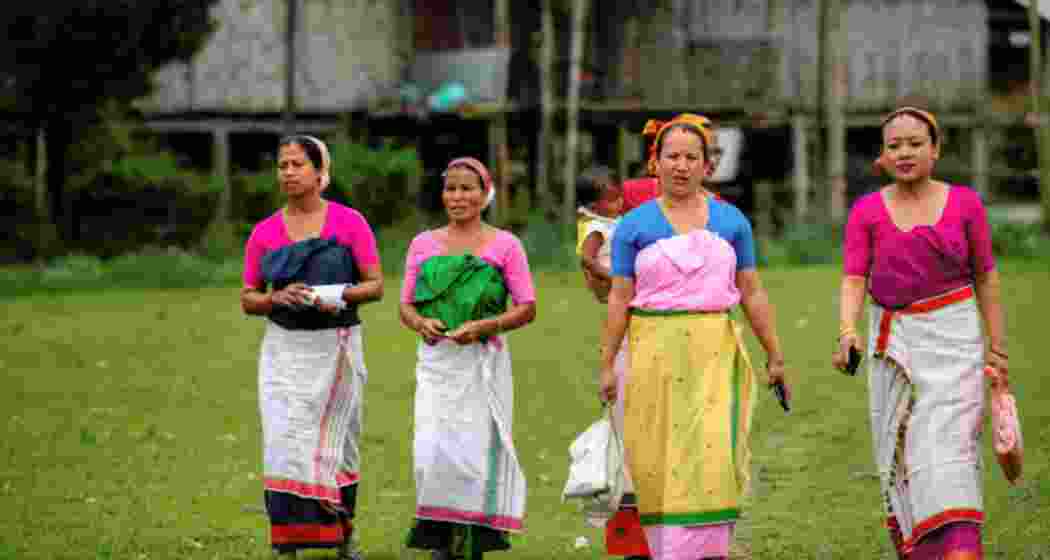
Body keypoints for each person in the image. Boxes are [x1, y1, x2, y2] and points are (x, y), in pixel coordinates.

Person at [601, 113, 788, 560]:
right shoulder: (634, 226)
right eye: (672, 156)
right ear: (656, 163)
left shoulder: (731, 222)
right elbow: (618, 299)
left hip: (713, 353)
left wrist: (775, 355)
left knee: (709, 457)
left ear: (708, 165)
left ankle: (705, 552)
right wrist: (607, 363)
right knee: (657, 458)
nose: (681, 166)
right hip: (651, 355)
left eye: (691, 157)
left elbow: (752, 291)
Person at [833, 107, 1006, 560]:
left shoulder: (966, 203)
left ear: (936, 149)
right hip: (894, 345)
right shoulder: (867, 211)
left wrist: (999, 348)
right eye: (895, 146)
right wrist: (847, 331)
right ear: (884, 155)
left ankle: (961, 549)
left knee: (948, 446)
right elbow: (854, 278)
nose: (905, 153)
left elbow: (986, 277)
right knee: (903, 451)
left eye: (915, 143)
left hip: (955, 342)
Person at [240, 135, 384, 559]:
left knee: (337, 443)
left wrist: (332, 294)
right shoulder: (264, 232)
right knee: (285, 439)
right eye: (282, 165)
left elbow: (375, 285)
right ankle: (287, 543)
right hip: (284, 351)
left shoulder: (349, 223)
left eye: (297, 164)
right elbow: (249, 295)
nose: (288, 172)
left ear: (321, 173)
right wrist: (274, 299)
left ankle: (344, 537)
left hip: (336, 346)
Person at [399, 157, 537, 560]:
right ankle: (440, 538)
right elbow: (405, 306)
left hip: (483, 362)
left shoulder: (506, 245)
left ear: (485, 194)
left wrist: (484, 327)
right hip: (437, 364)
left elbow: (527, 307)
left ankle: (474, 541)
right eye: (451, 189)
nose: (458, 197)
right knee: (432, 451)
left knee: (476, 453)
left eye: (467, 188)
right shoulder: (423, 244)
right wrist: (421, 322)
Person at [576, 165, 625, 303]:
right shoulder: (596, 228)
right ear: (593, 206)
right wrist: (611, 277)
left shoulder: (611, 220)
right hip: (610, 283)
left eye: (620, 196)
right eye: (613, 199)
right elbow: (587, 259)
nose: (620, 201)